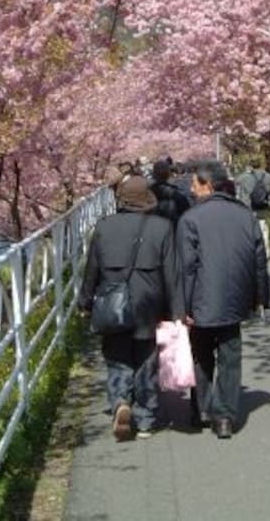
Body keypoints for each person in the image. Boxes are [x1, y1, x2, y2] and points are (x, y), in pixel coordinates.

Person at [175, 159, 270, 440]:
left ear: (207, 185)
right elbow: (259, 260)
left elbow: (186, 267)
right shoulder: (245, 216)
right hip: (235, 300)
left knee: (201, 355)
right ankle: (225, 417)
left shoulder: (190, 219)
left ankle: (202, 410)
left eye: (195, 184)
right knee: (230, 358)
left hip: (201, 300)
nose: (191, 189)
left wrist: (182, 307)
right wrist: (259, 297)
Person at [79, 175, 176, 440]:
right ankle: (145, 419)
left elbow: (92, 270)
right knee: (146, 360)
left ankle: (121, 400)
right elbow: (171, 274)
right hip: (149, 304)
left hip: (113, 303)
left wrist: (85, 302)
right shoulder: (162, 228)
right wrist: (175, 311)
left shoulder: (104, 226)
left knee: (117, 356)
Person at [235, 159, 270, 256]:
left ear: (250, 166)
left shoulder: (245, 176)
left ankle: (249, 251)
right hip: (263, 207)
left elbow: (236, 181)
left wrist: (247, 172)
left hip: (248, 207)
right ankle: (265, 251)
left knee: (248, 230)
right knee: (263, 229)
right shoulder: (267, 176)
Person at [150, 156, 191, 227]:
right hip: (174, 228)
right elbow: (187, 214)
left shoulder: (147, 193)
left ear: (153, 174)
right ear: (169, 174)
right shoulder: (178, 194)